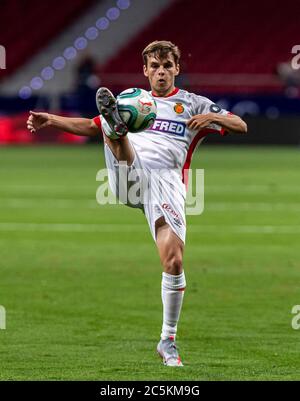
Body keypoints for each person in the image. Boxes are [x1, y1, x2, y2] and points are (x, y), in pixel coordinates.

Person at [27, 40, 247, 367]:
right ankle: (118, 133)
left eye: (167, 66)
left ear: (176, 69)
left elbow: (241, 125)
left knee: (173, 262)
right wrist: (51, 119)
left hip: (167, 184)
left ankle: (167, 341)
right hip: (130, 175)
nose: (161, 72)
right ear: (145, 71)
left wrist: (212, 120)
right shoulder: (134, 100)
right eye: (154, 67)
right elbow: (90, 126)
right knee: (112, 133)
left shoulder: (194, 103)